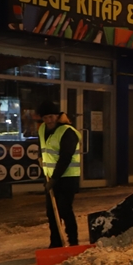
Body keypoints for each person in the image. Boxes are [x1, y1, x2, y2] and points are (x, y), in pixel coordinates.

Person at [37, 100, 82, 247]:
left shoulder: (67, 132)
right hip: (51, 177)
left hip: (68, 177)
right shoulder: (42, 129)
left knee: (64, 209)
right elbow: (43, 147)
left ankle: (73, 242)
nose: (49, 120)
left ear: (57, 116)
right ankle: (55, 243)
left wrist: (54, 179)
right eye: (45, 118)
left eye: (51, 117)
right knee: (52, 213)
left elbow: (66, 157)